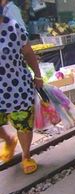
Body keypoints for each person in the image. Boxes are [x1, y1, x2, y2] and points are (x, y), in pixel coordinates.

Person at [0, 15, 43, 174]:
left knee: (23, 123)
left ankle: (26, 156)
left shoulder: (13, 27)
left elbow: (29, 53)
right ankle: (8, 140)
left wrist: (37, 75)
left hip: (17, 86)